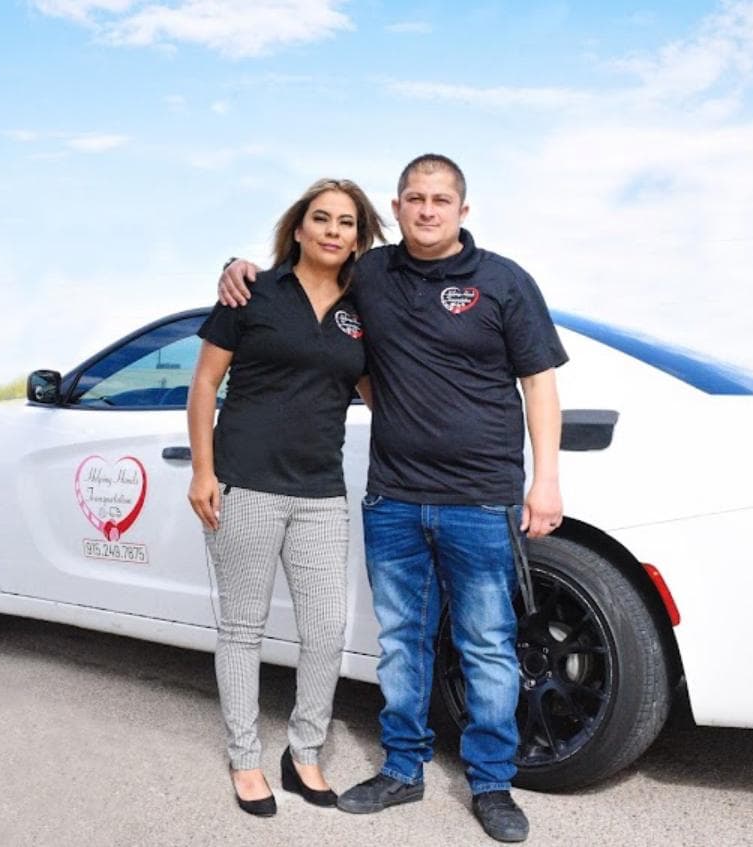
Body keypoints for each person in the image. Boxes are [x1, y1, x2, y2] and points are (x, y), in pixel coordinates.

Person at [217, 154, 567, 843]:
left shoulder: (504, 282)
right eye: (414, 198)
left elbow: (540, 382)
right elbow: (302, 273)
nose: (427, 209)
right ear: (398, 207)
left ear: (463, 210)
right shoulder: (369, 275)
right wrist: (237, 265)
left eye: (441, 199)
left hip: (481, 495)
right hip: (395, 498)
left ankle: (491, 783)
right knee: (402, 643)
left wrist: (545, 477)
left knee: (488, 646)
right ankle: (402, 768)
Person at [187, 178, 386, 817]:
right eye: (320, 218)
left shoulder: (363, 309)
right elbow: (203, 385)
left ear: (360, 236)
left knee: (326, 630)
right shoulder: (252, 292)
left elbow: (377, 393)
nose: (333, 230)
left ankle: (304, 753)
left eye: (346, 222)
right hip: (245, 484)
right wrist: (202, 472)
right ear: (298, 229)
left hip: (321, 492)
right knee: (242, 630)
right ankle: (245, 759)